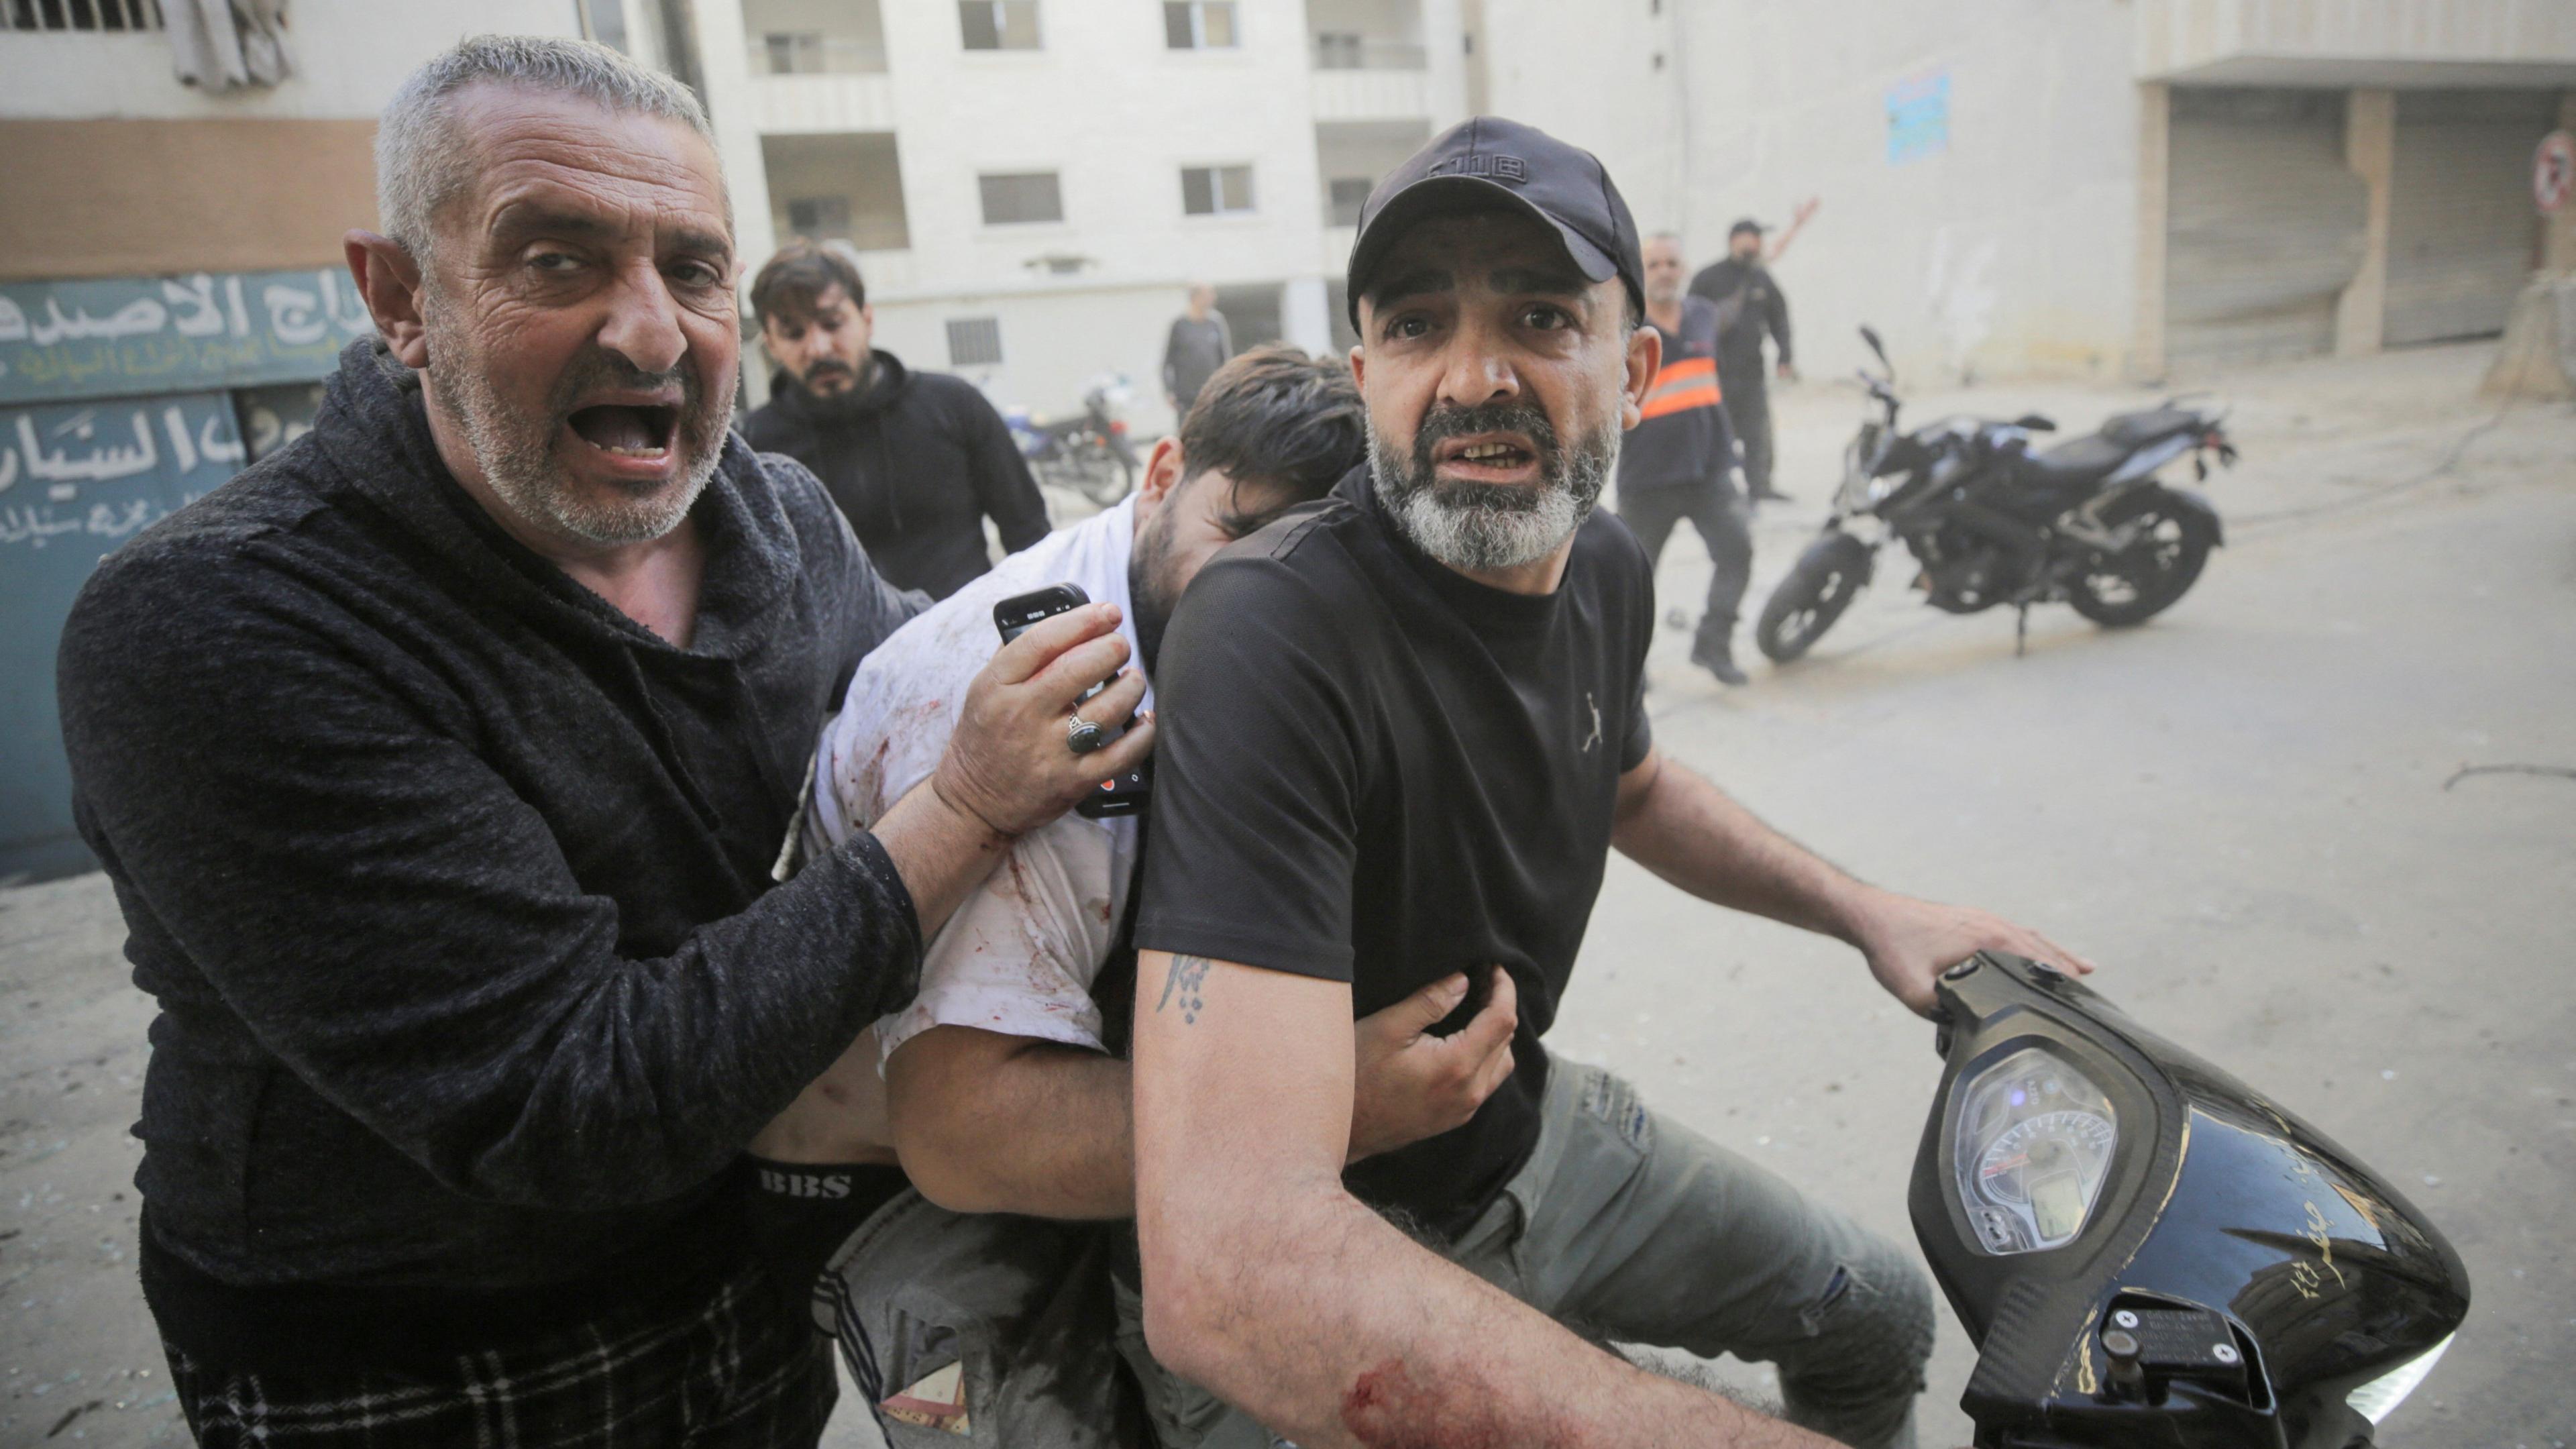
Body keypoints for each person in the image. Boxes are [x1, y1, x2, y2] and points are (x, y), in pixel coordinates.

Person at [54, 36, 1150, 1448]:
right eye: (557, 260)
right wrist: (964, 808)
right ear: (400, 296)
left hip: (745, 1283)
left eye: (691, 270)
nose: (648, 333)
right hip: (412, 1358)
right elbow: (569, 1100)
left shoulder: (781, 522)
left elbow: (941, 691)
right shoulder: (221, 625)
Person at [1122, 117, 2097, 1448]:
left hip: (1533, 1144)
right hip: (1326, 1241)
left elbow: (1631, 786)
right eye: (1417, 326)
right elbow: (1231, 1266)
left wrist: (1874, 912)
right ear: (1369, 372)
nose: (1473, 377)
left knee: (1881, 1319)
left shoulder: (1610, 570)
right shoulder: (1269, 626)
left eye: (1537, 315)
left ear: (1634, 366)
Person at [740, 346, 1520, 1441]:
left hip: (1101, 1098)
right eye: (1239, 536)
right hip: (899, 1181)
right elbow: (963, 1130)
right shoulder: (1033, 694)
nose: (1266, 594)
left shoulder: (1266, 642)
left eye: (1319, 562)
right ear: (1159, 477)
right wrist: (1333, 1109)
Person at [742, 241, 1051, 599]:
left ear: (867, 318)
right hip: (846, 657)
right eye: (794, 333)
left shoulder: (953, 405)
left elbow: (1030, 538)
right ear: (771, 344)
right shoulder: (755, 447)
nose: (819, 348)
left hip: (973, 642)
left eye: (832, 323)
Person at [1622, 231, 1754, 686]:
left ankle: (1712, 645)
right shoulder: (1626, 328)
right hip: (1648, 478)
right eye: (1654, 264)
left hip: (1710, 469)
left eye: (1672, 263)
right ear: (1641, 272)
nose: (1664, 272)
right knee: (1633, 582)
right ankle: (1630, 669)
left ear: (1685, 269)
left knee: (1738, 552)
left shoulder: (1703, 315)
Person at [1690, 217, 1796, 502]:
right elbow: (1688, 319)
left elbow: (1779, 318)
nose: (1754, 243)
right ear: (1734, 239)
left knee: (1757, 435)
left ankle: (1760, 488)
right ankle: (1710, 490)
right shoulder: (1708, 278)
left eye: (1757, 238)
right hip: (1715, 373)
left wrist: (1785, 356)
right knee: (1713, 433)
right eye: (1749, 237)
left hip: (1752, 373)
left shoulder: (1762, 279)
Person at [1161, 282, 1233, 419]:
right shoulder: (1179, 325)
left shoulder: (1216, 322)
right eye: (1209, 295)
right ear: (1195, 298)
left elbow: (1225, 360)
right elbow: (1167, 362)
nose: (1213, 298)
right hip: (1186, 397)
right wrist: (1169, 391)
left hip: (1213, 394)